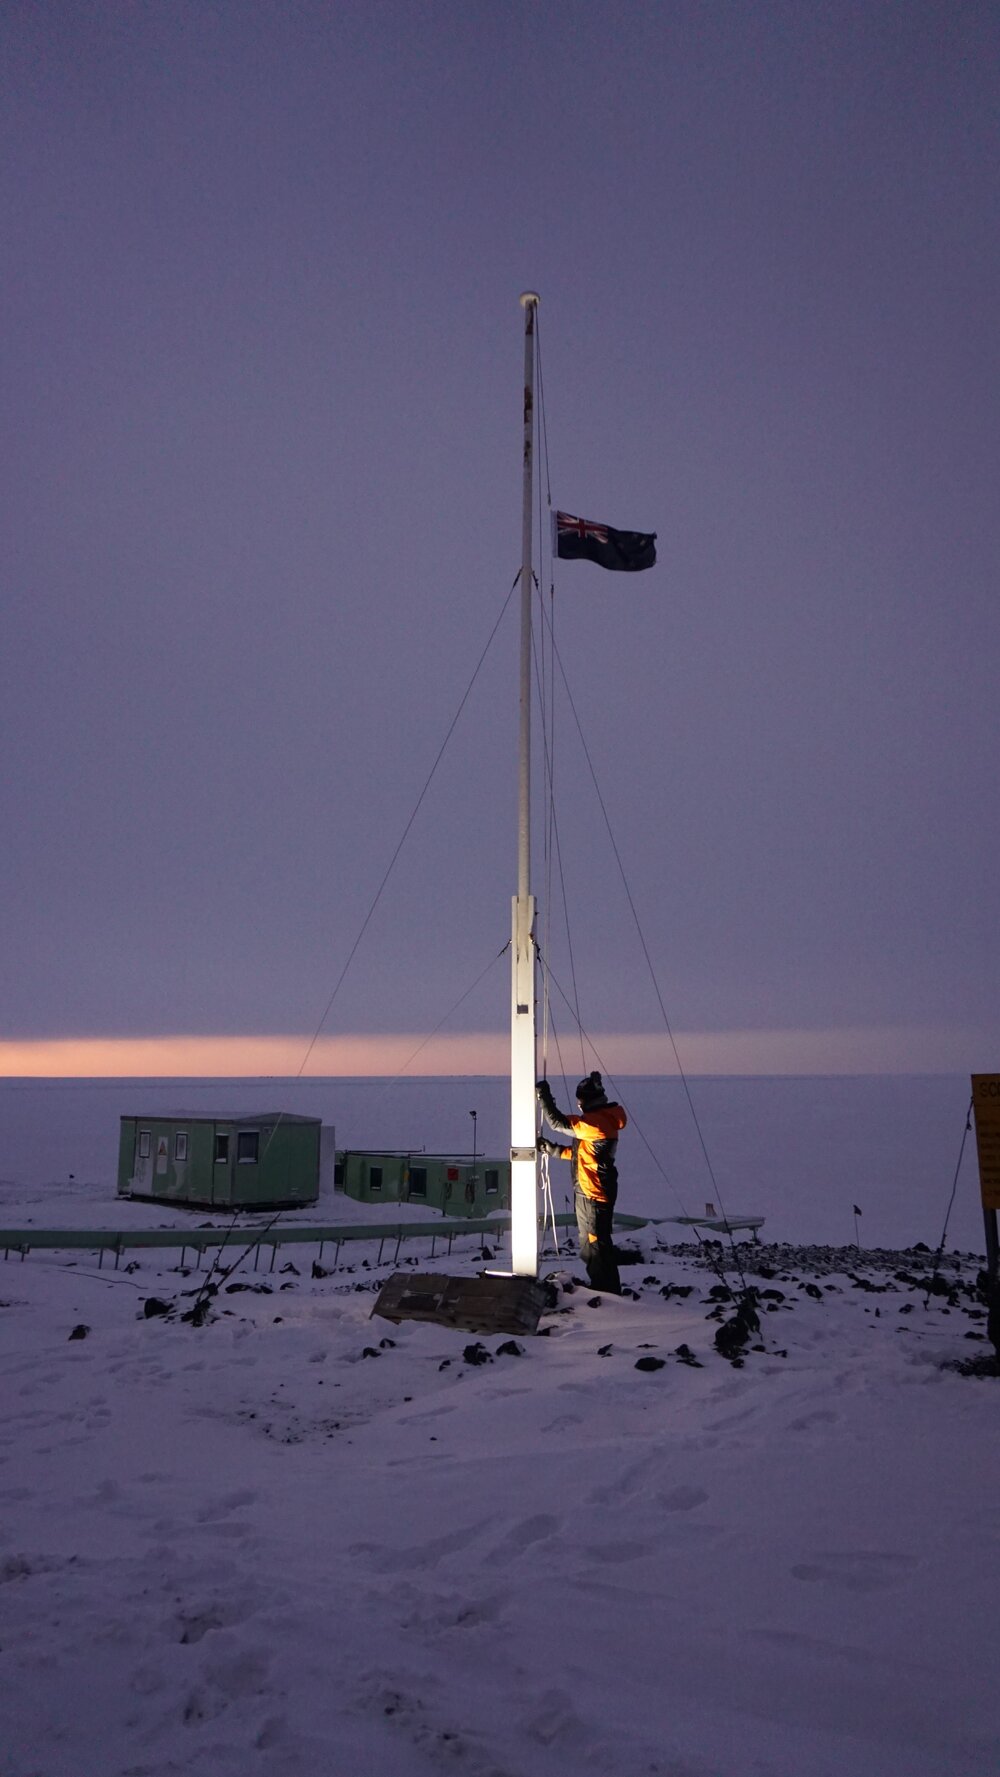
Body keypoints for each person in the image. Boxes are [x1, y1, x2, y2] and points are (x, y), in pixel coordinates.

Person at [536, 1071, 627, 1294]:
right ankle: (604, 1288)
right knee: (592, 1245)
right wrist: (554, 1150)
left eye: (580, 1100)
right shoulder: (599, 1122)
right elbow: (582, 1154)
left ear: (587, 1100)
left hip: (593, 1194)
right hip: (589, 1192)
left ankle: (605, 1292)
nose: (578, 1104)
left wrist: (544, 1096)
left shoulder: (596, 1123)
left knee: (595, 1246)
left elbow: (558, 1123)